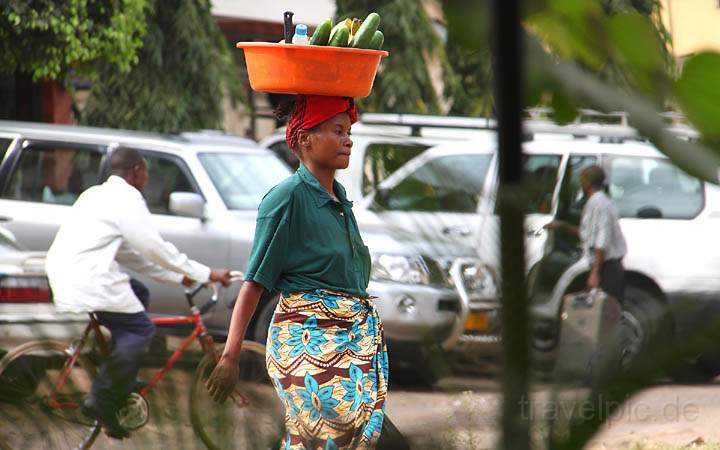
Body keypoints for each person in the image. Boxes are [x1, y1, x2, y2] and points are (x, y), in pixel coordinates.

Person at [205, 95, 400, 450]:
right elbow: (254, 284)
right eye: (338, 130)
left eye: (349, 131)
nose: (349, 140)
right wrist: (230, 356)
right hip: (308, 343)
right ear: (306, 139)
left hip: (351, 345)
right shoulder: (287, 198)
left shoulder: (340, 201)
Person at [45, 147, 231, 438]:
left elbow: (132, 255)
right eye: (145, 171)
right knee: (141, 330)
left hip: (71, 273)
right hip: (89, 279)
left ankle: (121, 378)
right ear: (137, 171)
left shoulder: (96, 194)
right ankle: (102, 398)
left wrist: (176, 276)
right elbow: (153, 248)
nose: (147, 177)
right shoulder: (127, 199)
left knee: (139, 293)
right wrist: (204, 274)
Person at [545, 165, 628, 300]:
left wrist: (595, 273)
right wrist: (562, 225)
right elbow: (587, 234)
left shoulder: (599, 204)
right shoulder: (597, 202)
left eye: (582, 180)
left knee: (605, 312)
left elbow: (602, 242)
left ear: (587, 182)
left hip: (607, 268)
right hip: (604, 266)